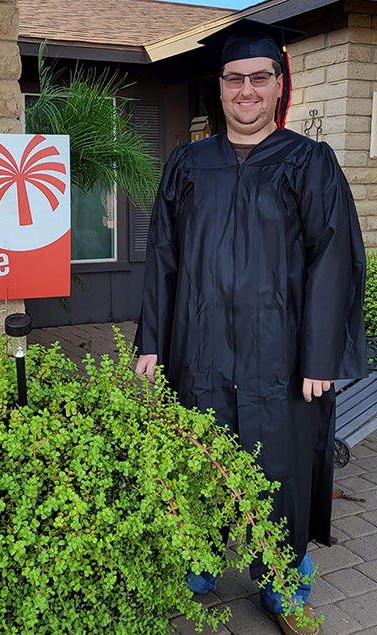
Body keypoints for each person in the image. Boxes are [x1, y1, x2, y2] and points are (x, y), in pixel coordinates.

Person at [134, 19, 367, 635]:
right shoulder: (188, 164)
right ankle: (197, 566)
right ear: (221, 86)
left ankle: (285, 585)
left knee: (283, 469)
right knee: (198, 457)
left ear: (277, 84)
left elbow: (333, 257)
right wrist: (151, 342)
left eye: (258, 78)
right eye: (234, 79)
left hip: (282, 354)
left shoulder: (310, 162)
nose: (245, 90)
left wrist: (321, 355)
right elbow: (163, 256)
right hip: (199, 347)